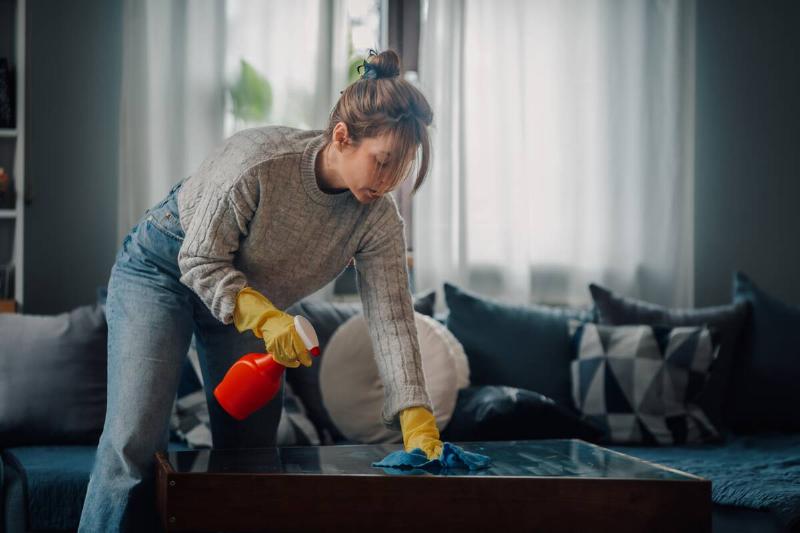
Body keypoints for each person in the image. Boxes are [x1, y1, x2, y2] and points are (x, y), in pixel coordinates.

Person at [78, 49, 442, 532]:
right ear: (341, 137)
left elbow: (393, 320)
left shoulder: (377, 220)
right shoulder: (259, 163)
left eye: (403, 168)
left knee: (250, 453)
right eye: (383, 162)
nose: (390, 181)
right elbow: (201, 260)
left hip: (244, 300)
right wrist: (269, 319)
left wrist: (416, 416)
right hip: (164, 271)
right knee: (134, 442)